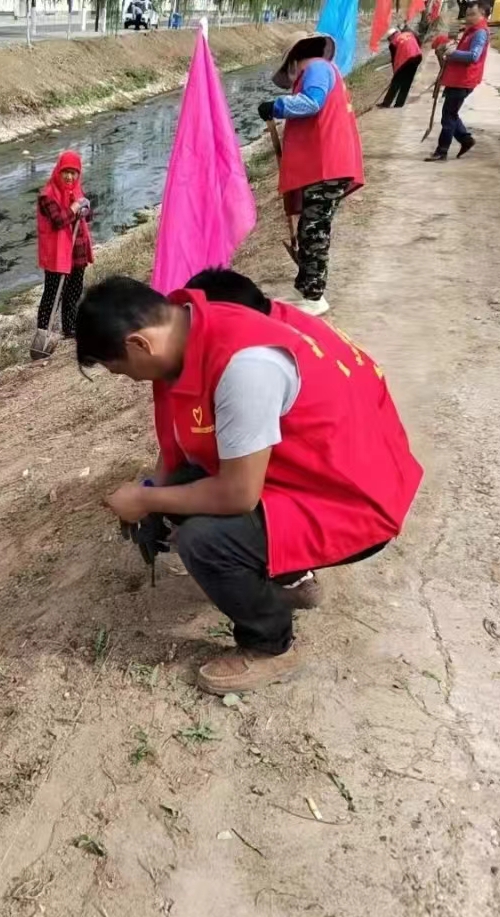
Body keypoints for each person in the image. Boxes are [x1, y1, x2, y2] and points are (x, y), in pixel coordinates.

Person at [77, 273, 423, 694]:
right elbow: (181, 446)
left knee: (204, 539)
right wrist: (154, 495)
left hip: (352, 500)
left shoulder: (245, 366)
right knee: (184, 491)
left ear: (139, 344)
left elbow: (237, 495)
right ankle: (290, 576)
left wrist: (144, 497)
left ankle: (270, 646)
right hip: (319, 473)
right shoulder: (192, 328)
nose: (127, 379)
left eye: (119, 369)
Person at [257, 34, 365, 317]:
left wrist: (277, 106)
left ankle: (315, 296)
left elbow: (311, 102)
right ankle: (306, 290)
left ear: (294, 58)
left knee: (315, 230)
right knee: (310, 226)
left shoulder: (316, 68)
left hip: (328, 165)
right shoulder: (323, 69)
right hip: (326, 165)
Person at [35, 151, 94, 339]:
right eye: (65, 172)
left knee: (73, 293)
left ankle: (69, 328)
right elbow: (59, 221)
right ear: (58, 171)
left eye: (74, 172)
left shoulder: (76, 191)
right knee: (52, 296)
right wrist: (75, 207)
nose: (69, 176)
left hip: (77, 251)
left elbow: (87, 218)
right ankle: (43, 334)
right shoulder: (47, 195)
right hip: (57, 254)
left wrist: (86, 209)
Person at [426, 2, 490, 162]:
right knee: (450, 114)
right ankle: (465, 139)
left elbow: (474, 56)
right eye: (467, 14)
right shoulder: (471, 31)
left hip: (464, 80)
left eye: (472, 14)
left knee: (448, 117)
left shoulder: (480, 33)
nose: (468, 17)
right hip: (457, 78)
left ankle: (442, 151)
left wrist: (453, 53)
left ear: (483, 15)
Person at [380, 26, 424, 109]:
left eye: (389, 39)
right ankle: (399, 103)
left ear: (391, 37)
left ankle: (386, 103)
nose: (389, 41)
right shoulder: (409, 34)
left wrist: (395, 73)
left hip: (406, 59)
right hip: (417, 57)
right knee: (407, 81)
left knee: (396, 82)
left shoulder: (393, 43)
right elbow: (418, 42)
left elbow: (394, 59)